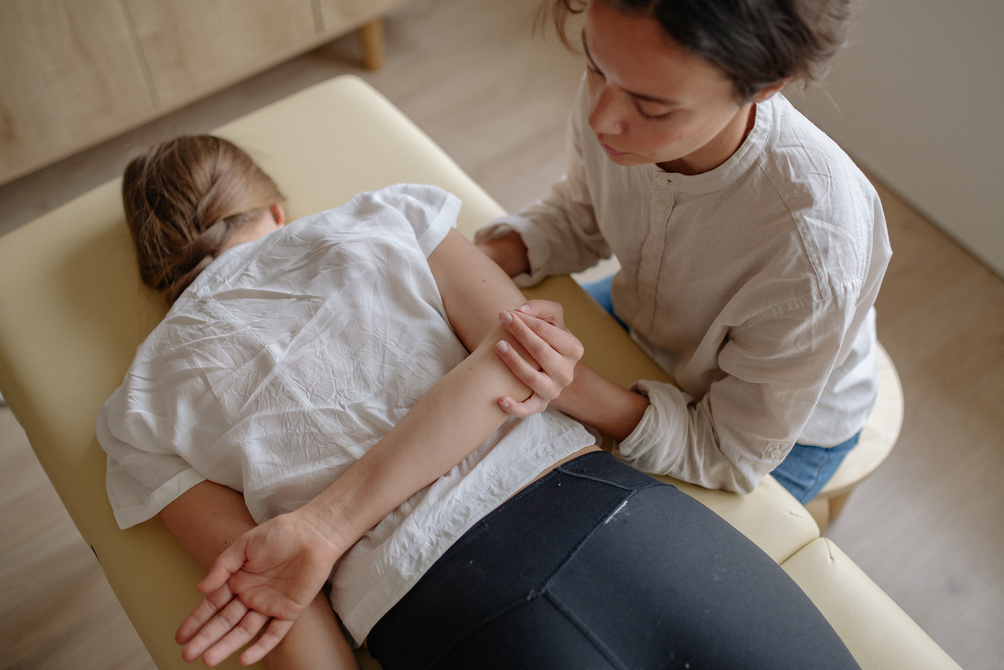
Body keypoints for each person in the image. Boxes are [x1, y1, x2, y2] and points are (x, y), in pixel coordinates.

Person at [97, 135, 859, 669]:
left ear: (157, 269)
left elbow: (272, 599)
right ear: (277, 210)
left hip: (437, 614)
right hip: (605, 512)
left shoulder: (134, 414)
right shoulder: (386, 216)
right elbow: (521, 359)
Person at [477, 0, 892, 503]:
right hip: (656, 320)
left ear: (764, 87)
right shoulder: (626, 77)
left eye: (652, 108)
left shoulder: (814, 251)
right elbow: (582, 215)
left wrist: (570, 387)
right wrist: (486, 257)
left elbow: (727, 452)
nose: (602, 117)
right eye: (593, 65)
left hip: (773, 435)